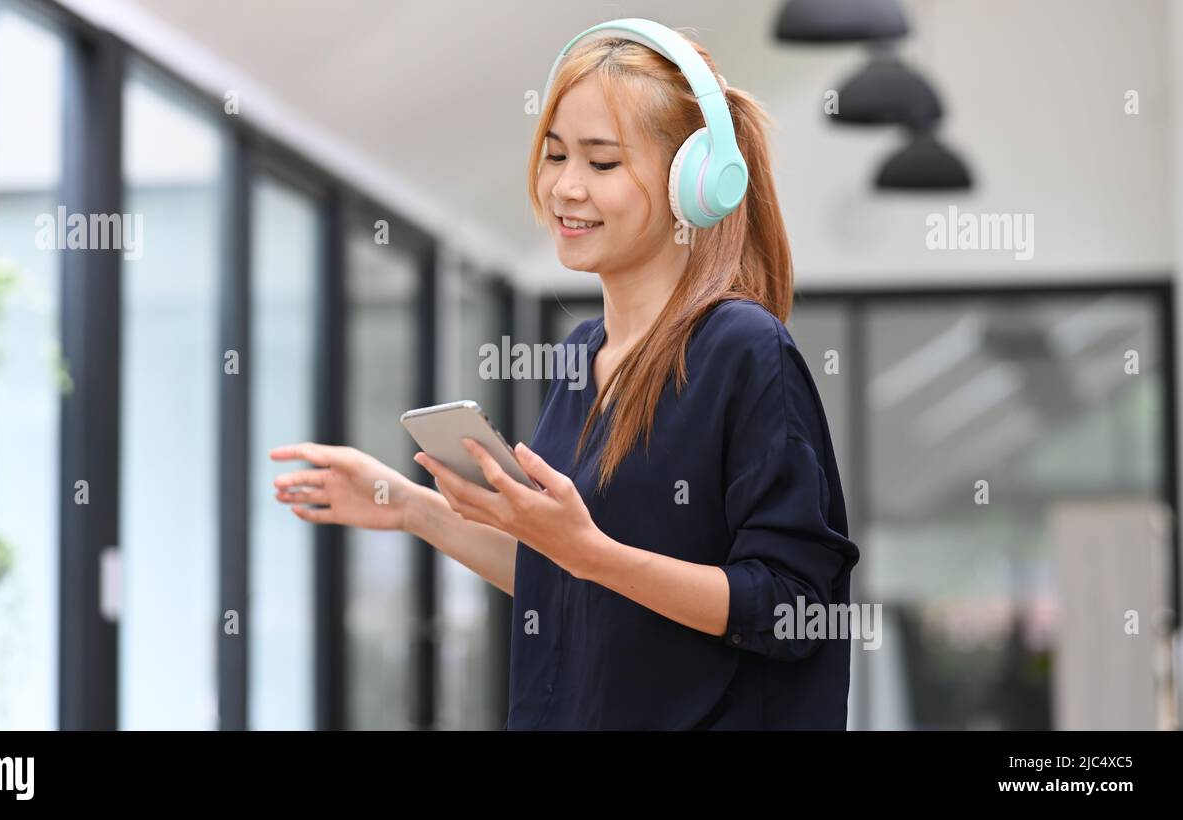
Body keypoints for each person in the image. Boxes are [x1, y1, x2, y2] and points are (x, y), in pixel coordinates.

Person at [270, 19, 859, 730]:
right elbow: (567, 581)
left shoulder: (743, 350)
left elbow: (792, 607)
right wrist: (411, 508)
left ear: (695, 181)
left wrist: (592, 554)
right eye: (554, 155)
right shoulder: (583, 356)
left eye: (602, 164)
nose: (565, 188)